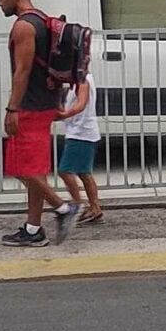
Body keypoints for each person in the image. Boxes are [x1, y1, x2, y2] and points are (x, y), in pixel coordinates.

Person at [0, 0, 77, 246]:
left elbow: (22, 71)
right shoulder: (42, 20)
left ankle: (63, 209)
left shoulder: (24, 27)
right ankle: (33, 230)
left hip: (29, 107)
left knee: (18, 166)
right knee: (35, 169)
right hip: (46, 104)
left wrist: (12, 108)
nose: (0, 3)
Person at [55, 74, 102, 225]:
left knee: (65, 170)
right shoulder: (77, 81)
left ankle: (77, 204)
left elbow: (81, 104)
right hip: (81, 131)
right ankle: (94, 208)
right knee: (84, 172)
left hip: (80, 133)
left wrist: (63, 114)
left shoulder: (83, 80)